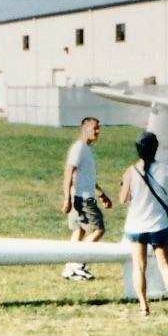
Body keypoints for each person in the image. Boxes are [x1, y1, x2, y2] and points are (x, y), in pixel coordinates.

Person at [118, 131, 168, 317]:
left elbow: (123, 199)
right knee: (165, 266)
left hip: (137, 225)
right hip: (159, 224)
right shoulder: (166, 168)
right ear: (156, 148)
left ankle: (144, 307)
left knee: (139, 266)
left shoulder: (131, 171)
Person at [60, 116, 111, 280]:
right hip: (83, 199)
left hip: (82, 196)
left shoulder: (85, 149)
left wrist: (102, 194)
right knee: (98, 229)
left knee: (79, 230)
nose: (97, 132)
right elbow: (69, 172)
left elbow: (87, 178)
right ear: (84, 129)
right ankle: (77, 264)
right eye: (94, 128)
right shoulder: (79, 148)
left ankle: (69, 267)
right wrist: (67, 197)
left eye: (98, 128)